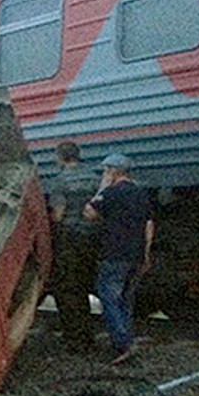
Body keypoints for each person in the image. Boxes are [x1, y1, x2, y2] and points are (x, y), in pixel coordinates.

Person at [83, 152, 154, 364]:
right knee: (125, 301)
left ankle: (122, 344)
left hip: (114, 253)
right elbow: (149, 224)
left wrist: (102, 189)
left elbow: (89, 213)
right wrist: (146, 254)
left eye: (106, 170)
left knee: (109, 297)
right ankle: (125, 340)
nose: (104, 174)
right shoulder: (141, 193)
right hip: (136, 254)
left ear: (114, 171)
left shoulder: (112, 193)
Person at [46, 141, 100, 352]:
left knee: (68, 289)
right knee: (86, 286)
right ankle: (89, 334)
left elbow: (58, 215)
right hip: (92, 237)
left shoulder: (60, 182)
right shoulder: (95, 178)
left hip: (70, 240)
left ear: (60, 157)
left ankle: (75, 339)